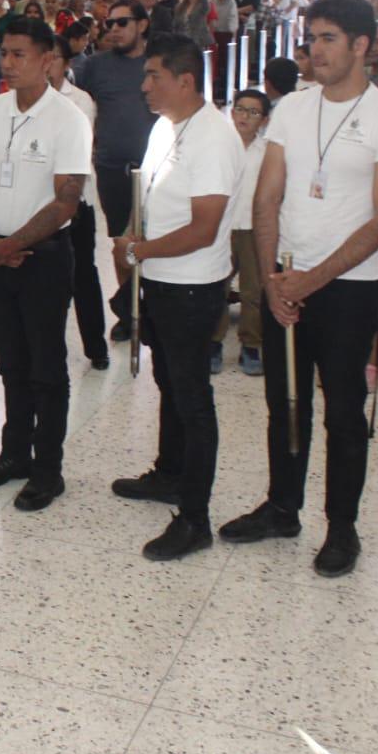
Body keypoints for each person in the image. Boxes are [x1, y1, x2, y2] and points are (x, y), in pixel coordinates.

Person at [218, 0, 378, 579]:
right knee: (284, 403)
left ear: (361, 45)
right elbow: (267, 198)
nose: (316, 50)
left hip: (348, 287)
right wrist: (272, 281)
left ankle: (342, 526)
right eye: (311, 39)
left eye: (328, 38)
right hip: (285, 278)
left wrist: (310, 279)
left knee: (344, 411)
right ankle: (283, 507)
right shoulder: (293, 109)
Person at [111, 34, 244, 559]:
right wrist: (133, 238)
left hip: (191, 283)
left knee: (193, 398)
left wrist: (138, 250)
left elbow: (204, 228)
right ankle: (169, 473)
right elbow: (149, 194)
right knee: (168, 381)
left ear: (185, 80)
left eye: (154, 76)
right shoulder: (166, 125)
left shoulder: (213, 136)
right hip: (160, 277)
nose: (144, 85)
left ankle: (195, 518)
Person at [0, 18, 92, 513]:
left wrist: (11, 244)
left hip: (44, 256)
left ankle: (47, 469)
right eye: (5, 53)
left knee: (46, 367)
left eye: (19, 54)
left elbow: (66, 201)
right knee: (10, 362)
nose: (8, 63)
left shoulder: (68, 119)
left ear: (47, 59)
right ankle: (14, 454)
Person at [75, 0, 156, 342]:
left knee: (158, 239)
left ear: (142, 25)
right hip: (112, 167)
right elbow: (76, 103)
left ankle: (156, 307)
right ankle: (130, 311)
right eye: (110, 23)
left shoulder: (158, 62)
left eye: (123, 22)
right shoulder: (96, 65)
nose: (114, 29)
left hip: (157, 171)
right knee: (122, 244)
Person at [50, 39, 108, 368]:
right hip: (36, 204)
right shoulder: (21, 100)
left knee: (83, 274)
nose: (47, 66)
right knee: (46, 281)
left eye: (54, 59)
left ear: (66, 63)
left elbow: (74, 152)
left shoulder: (80, 101)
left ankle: (96, 347)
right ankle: (50, 347)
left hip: (75, 202)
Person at [219, 90, 270, 376]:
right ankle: (213, 342)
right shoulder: (219, 146)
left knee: (253, 291)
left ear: (264, 120)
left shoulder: (268, 153)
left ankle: (250, 345)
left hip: (253, 229)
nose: (245, 117)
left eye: (253, 112)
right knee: (217, 287)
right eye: (240, 109)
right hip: (221, 227)